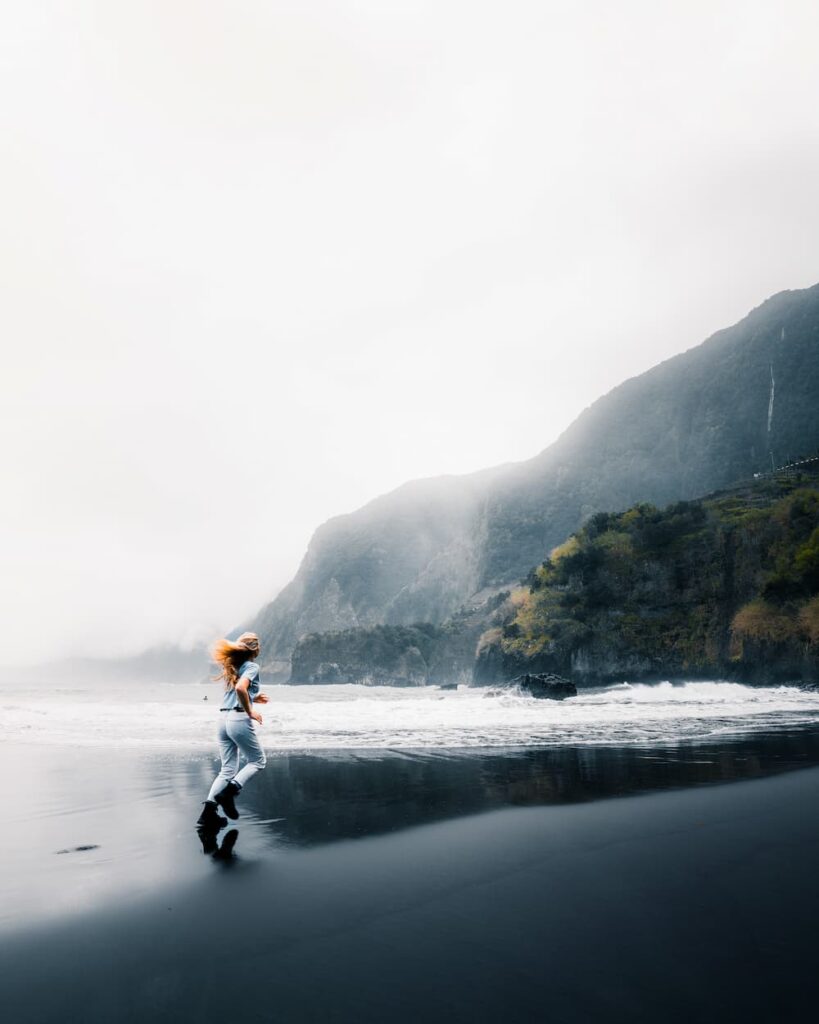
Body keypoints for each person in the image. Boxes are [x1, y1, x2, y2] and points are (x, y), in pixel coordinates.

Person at [197, 631, 268, 829]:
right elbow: (240, 689)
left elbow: (239, 690)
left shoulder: (233, 667)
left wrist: (254, 697)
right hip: (237, 719)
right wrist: (251, 710)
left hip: (222, 720)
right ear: (255, 648)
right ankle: (229, 793)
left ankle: (207, 815)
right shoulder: (252, 666)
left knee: (227, 769)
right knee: (258, 761)